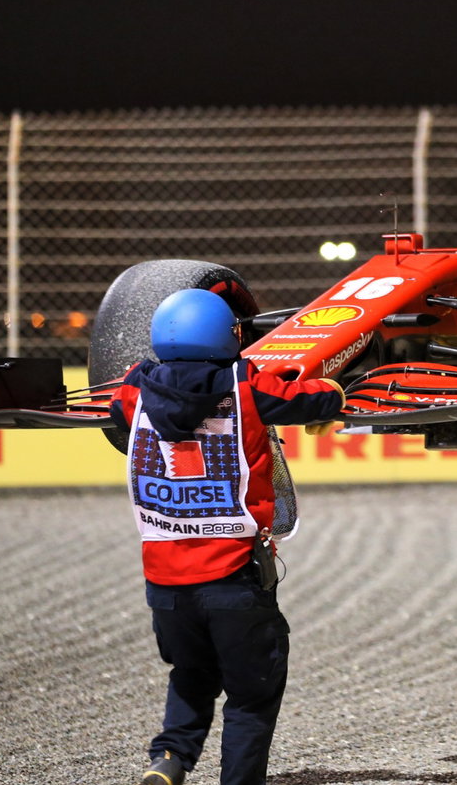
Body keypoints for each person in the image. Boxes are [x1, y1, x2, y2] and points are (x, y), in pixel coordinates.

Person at [109, 288, 345, 785]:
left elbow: (117, 416)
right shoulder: (245, 387)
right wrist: (339, 394)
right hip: (234, 578)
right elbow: (314, 398)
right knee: (252, 695)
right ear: (228, 336)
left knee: (192, 674)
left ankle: (170, 759)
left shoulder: (135, 389)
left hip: (165, 584)